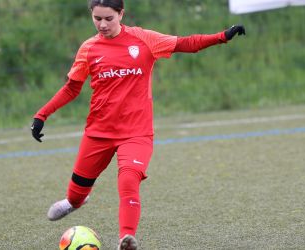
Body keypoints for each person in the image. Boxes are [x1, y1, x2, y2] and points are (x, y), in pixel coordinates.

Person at [31, 0, 245, 249]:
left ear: (121, 14)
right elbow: (71, 88)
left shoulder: (143, 39)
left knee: (129, 181)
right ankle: (73, 203)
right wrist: (41, 115)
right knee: (77, 193)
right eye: (97, 18)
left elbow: (185, 43)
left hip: (136, 133)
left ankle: (126, 238)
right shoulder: (89, 49)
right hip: (99, 133)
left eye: (109, 18)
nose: (102, 24)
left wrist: (222, 36)